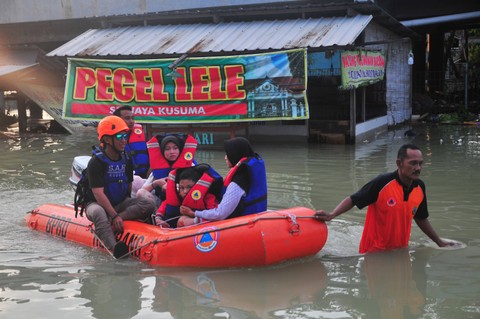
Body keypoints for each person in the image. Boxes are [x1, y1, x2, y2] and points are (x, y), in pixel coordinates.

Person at [314, 143, 455, 254]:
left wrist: (439, 242)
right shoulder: (382, 183)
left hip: (400, 251)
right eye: (413, 163)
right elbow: (353, 199)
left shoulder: (419, 187)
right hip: (373, 253)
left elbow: (421, 218)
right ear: (399, 163)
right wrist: (332, 214)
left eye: (420, 163)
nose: (418, 168)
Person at [83, 115, 156, 258]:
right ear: (107, 140)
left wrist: (122, 213)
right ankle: (114, 247)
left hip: (119, 204)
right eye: (119, 136)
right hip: (96, 204)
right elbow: (98, 194)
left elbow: (128, 186)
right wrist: (114, 215)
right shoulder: (96, 162)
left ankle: (113, 221)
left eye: (125, 135)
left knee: (149, 202)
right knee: (98, 213)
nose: (124, 140)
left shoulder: (126, 158)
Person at [179, 137, 267, 224]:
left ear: (235, 154)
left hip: (242, 222)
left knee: (182, 221)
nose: (225, 157)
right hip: (253, 216)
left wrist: (193, 213)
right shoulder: (248, 173)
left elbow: (220, 214)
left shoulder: (239, 181)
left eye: (228, 154)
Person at [136, 134, 197, 213]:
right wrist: (156, 183)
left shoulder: (191, 166)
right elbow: (143, 190)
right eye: (167, 149)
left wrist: (172, 187)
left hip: (184, 204)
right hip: (161, 203)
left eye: (175, 148)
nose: (172, 152)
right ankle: (155, 215)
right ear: (162, 151)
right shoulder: (157, 168)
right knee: (140, 192)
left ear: (180, 149)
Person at [155, 165, 222, 228]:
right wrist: (158, 219)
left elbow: (215, 215)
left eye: (189, 187)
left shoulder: (208, 198)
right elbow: (162, 209)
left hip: (199, 229)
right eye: (182, 188)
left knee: (182, 220)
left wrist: (193, 214)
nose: (185, 191)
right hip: (172, 232)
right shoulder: (176, 197)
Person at [113, 105, 149, 179]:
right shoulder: (111, 139)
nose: (131, 121)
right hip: (124, 178)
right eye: (127, 118)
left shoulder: (141, 133)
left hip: (145, 177)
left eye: (132, 118)